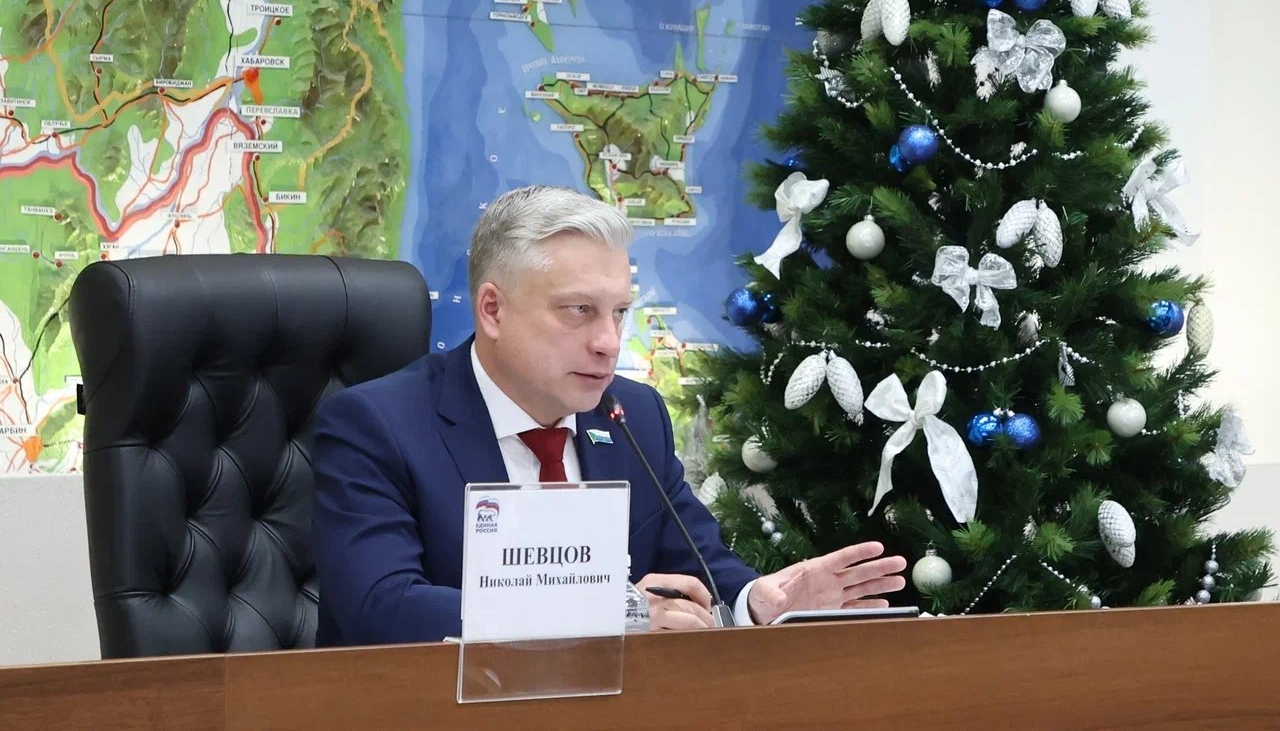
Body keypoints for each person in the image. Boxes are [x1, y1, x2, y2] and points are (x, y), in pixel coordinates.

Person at [313, 185, 906, 646]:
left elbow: (698, 564)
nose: (608, 342)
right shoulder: (377, 425)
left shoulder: (632, 414)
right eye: (579, 310)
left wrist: (759, 601)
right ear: (492, 310)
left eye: (619, 312)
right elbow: (381, 607)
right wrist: (605, 612)